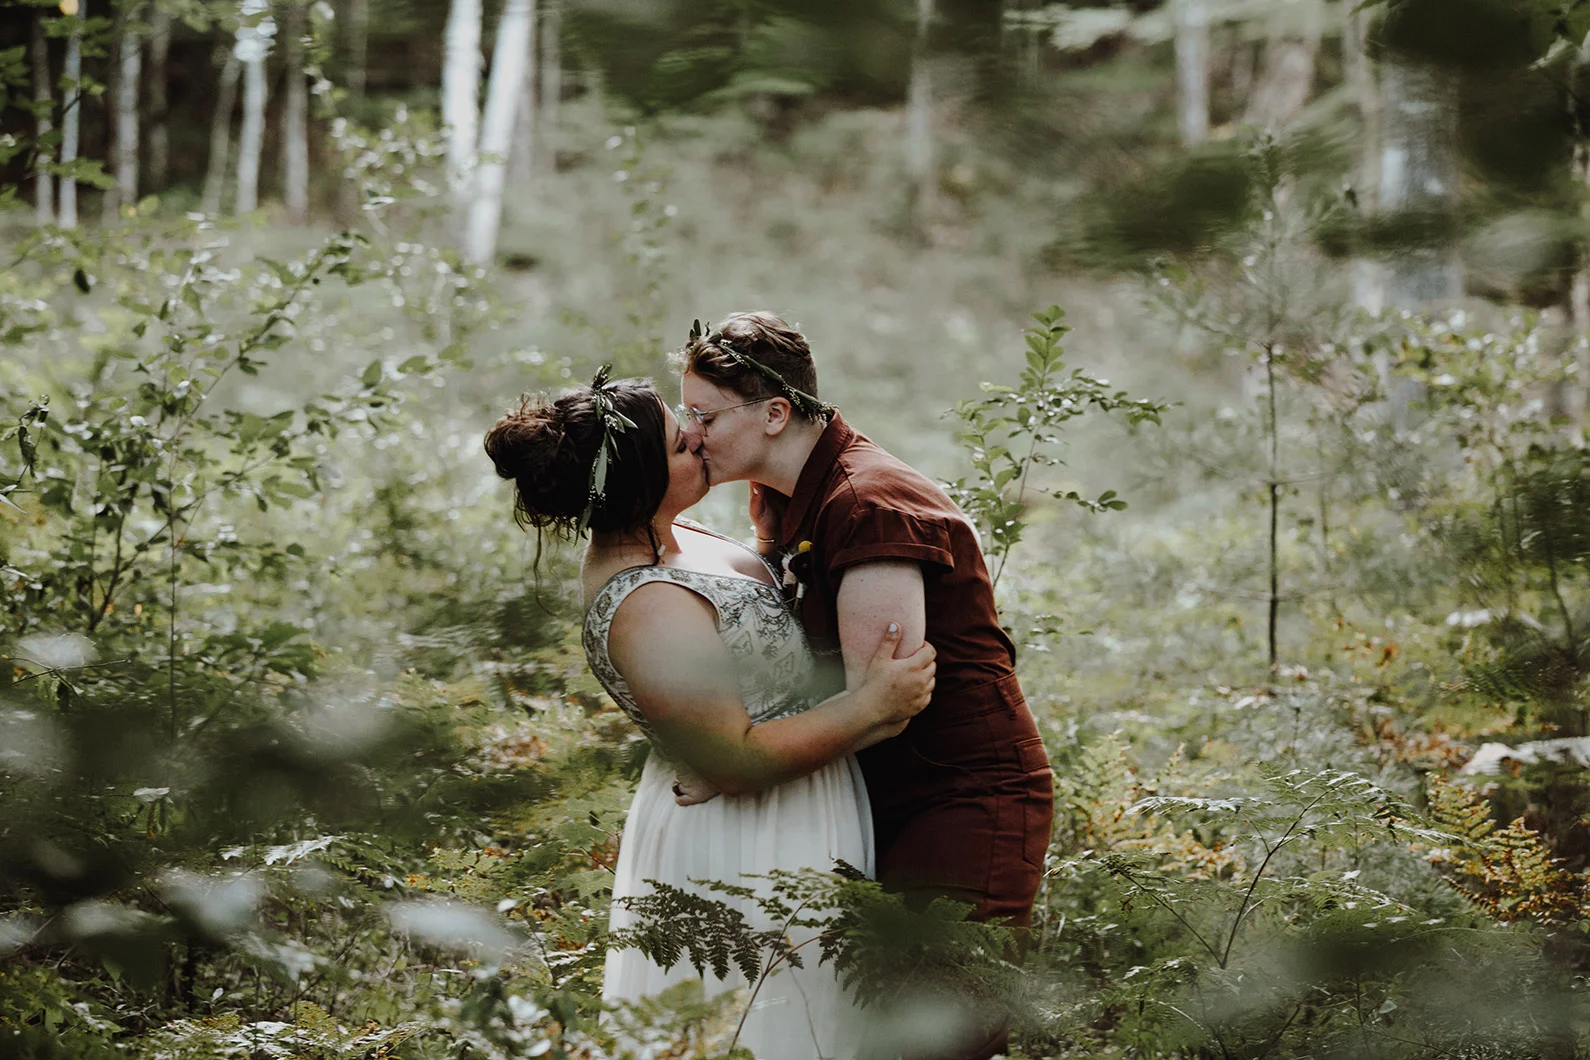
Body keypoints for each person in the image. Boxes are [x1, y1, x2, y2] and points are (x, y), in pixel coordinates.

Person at [483, 371, 937, 1059]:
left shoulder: (677, 535)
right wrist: (871, 706)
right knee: (766, 1025)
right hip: (749, 833)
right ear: (639, 486)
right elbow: (737, 760)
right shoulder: (645, 606)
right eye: (676, 442)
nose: (696, 438)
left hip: (806, 798)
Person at [673, 313, 1055, 1060]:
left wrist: (739, 757)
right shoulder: (779, 496)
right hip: (881, 797)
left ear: (775, 413)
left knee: (940, 1032)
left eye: (704, 415)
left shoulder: (868, 504)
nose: (691, 435)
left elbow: (884, 704)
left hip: (961, 798)